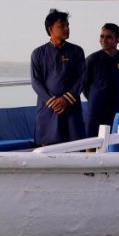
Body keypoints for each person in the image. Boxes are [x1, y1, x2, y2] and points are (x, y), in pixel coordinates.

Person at [30, 9, 87, 146]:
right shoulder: (38, 54)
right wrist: (52, 101)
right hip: (49, 108)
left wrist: (66, 99)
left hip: (71, 106)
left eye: (67, 25)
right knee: (47, 148)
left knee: (75, 147)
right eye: (62, 26)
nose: (67, 29)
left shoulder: (77, 51)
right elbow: (36, 82)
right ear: (50, 29)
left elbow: (82, 78)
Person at [82, 22, 119, 137]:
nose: (104, 40)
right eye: (102, 36)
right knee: (92, 141)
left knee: (118, 138)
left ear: (117, 39)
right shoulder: (92, 59)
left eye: (109, 37)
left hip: (118, 105)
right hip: (97, 107)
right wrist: (96, 97)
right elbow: (84, 85)